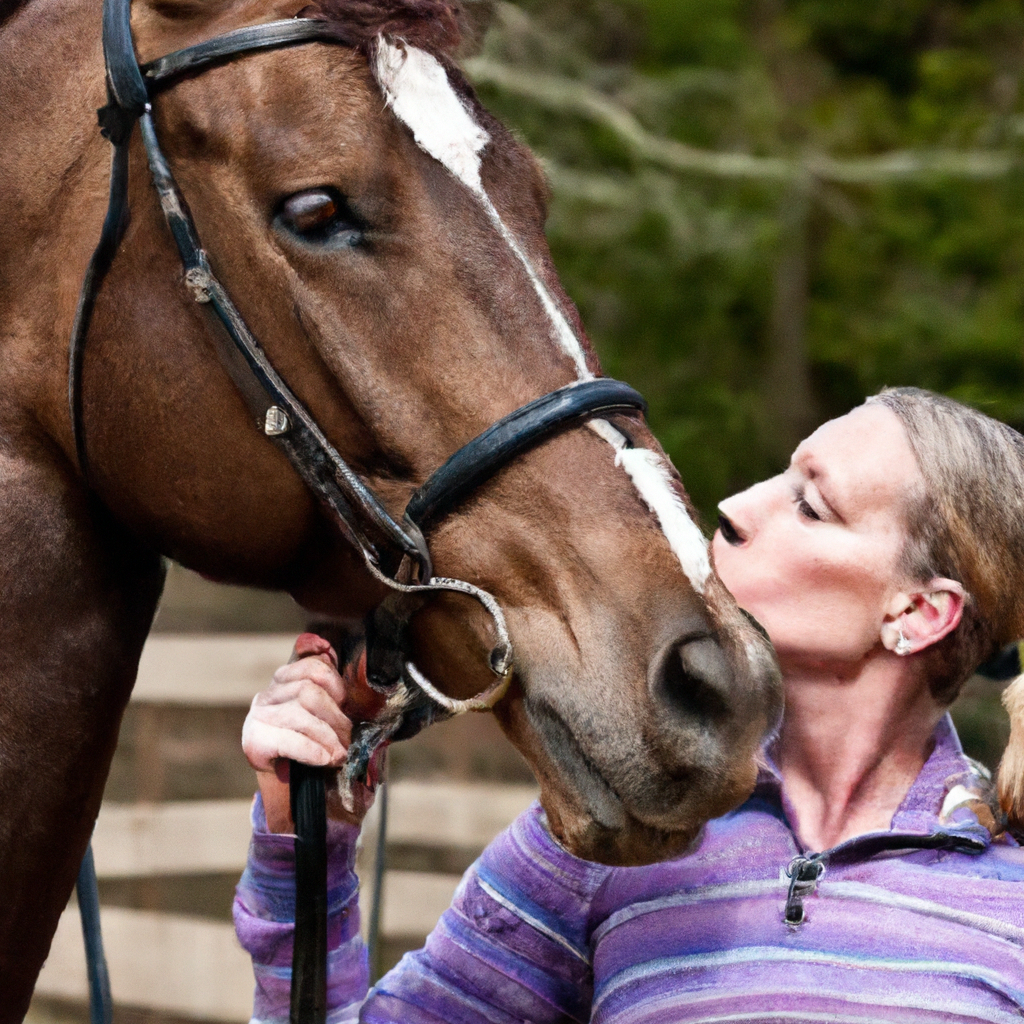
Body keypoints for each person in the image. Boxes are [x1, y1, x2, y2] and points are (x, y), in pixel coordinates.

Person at [233, 387, 1024, 1023]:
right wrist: (305, 838)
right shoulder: (608, 841)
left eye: (812, 507)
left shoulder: (1007, 897)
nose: (740, 506)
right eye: (780, 477)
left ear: (920, 614)